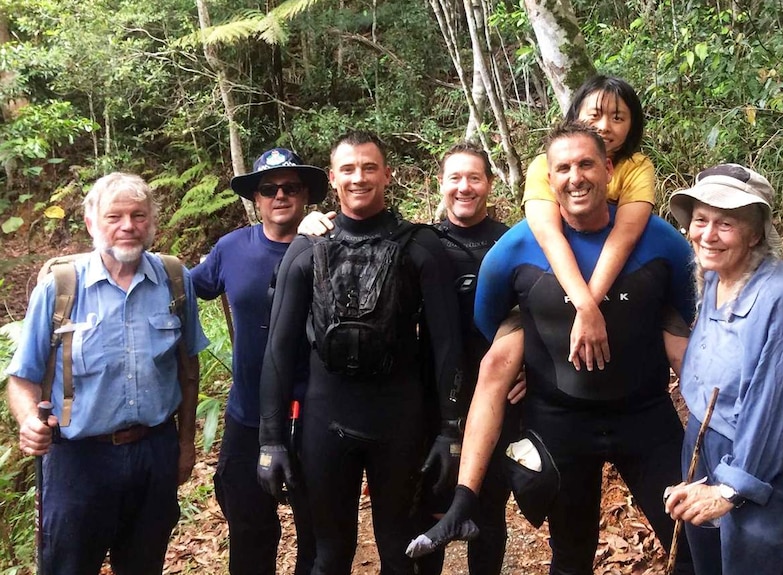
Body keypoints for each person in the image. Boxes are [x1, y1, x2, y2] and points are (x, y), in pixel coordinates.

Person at [410, 122, 696, 575]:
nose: (575, 177)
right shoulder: (516, 247)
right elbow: (491, 326)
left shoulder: (660, 240)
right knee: (570, 557)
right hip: (560, 423)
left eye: (586, 164)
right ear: (548, 177)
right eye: (563, 167)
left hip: (646, 417)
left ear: (608, 168)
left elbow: (683, 317)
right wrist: (524, 360)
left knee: (692, 545)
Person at [256, 130, 465, 575]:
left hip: (400, 422)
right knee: (328, 554)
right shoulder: (306, 249)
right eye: (348, 169)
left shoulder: (421, 247)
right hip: (324, 422)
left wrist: (450, 431)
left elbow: (447, 343)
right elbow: (278, 347)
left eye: (370, 167)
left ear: (387, 175)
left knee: (401, 551)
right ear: (332, 178)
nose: (359, 178)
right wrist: (270, 440)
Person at [6, 172, 209, 575]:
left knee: (144, 564)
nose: (127, 226)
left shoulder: (173, 281)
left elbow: (188, 369)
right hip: (79, 460)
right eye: (114, 216)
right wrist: (29, 420)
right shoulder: (60, 288)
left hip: (154, 451)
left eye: (138, 215)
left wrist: (185, 444)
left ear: (152, 222)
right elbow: (21, 377)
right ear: (91, 223)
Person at [663, 164, 783, 575]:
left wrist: (733, 486)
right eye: (701, 220)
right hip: (708, 449)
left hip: (764, 463)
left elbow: (777, 411)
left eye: (726, 223)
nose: (707, 234)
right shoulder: (716, 278)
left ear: (755, 233)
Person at [191, 148, 327, 575]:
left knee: (319, 535)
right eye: (269, 189)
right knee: (249, 530)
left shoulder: (330, 243)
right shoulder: (232, 248)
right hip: (247, 415)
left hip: (317, 415)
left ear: (306, 194)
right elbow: (181, 286)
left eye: (290, 187)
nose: (280, 195)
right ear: (256, 198)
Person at [410, 142, 515, 575]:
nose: (464, 187)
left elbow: (536, 313)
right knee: (428, 507)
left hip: (500, 397)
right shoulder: (421, 243)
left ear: (489, 184)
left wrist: (529, 368)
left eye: (474, 177)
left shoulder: (511, 241)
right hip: (433, 400)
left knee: (488, 510)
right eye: (455, 177)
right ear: (441, 184)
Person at [523, 75, 657, 369]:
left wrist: (587, 308)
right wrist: (586, 306)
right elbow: (547, 233)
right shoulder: (545, 165)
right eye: (594, 115)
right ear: (576, 115)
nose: (605, 126)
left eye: (618, 117)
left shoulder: (636, 167)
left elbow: (625, 234)